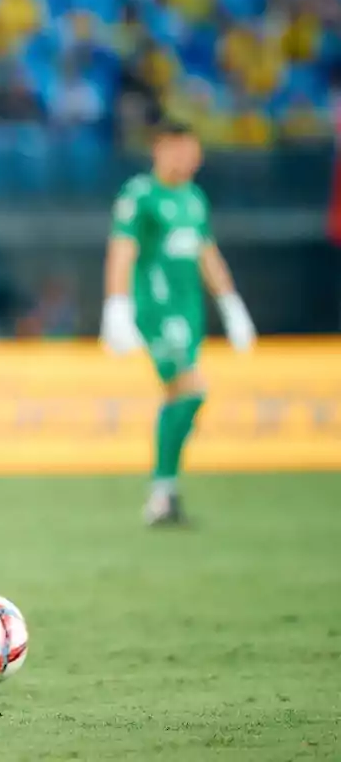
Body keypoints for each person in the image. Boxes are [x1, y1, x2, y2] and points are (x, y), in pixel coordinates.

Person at [100, 120, 256, 525]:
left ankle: (163, 495)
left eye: (191, 150)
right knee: (191, 390)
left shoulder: (194, 198)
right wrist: (116, 306)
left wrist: (231, 303)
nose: (186, 158)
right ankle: (162, 491)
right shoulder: (140, 195)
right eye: (177, 149)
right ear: (159, 150)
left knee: (181, 396)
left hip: (189, 312)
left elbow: (206, 253)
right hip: (159, 309)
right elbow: (121, 250)